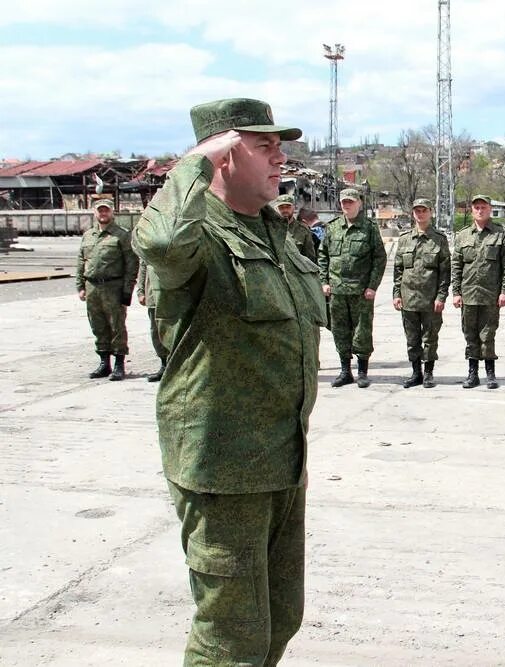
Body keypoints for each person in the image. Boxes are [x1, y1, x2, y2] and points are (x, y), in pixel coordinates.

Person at [132, 98, 324, 666]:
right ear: (222, 155)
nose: (280, 157)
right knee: (230, 638)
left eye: (280, 146)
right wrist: (193, 162)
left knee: (279, 621)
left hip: (281, 465)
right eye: (263, 145)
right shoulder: (195, 239)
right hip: (222, 470)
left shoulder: (274, 233)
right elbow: (161, 244)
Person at [317, 187, 387, 388]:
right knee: (340, 330)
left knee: (362, 331)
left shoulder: (369, 228)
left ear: (359, 204)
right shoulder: (332, 228)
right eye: (344, 202)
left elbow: (379, 258)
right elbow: (323, 256)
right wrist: (325, 281)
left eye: (351, 201)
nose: (346, 205)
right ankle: (345, 371)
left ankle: (362, 371)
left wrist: (373, 286)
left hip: (361, 291)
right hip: (337, 291)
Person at [451, 194, 505, 389]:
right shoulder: (462, 235)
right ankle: (472, 373)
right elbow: (456, 265)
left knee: (488, 335)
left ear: (489, 209)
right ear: (472, 211)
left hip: (490, 295)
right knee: (469, 334)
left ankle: (490, 373)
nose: (480, 210)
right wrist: (456, 292)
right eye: (476, 207)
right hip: (468, 294)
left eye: (483, 207)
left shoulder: (500, 234)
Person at [75, 198, 138, 381]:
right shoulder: (88, 236)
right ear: (95, 213)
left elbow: (131, 264)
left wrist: (127, 291)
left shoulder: (122, 235)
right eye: (100, 210)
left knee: (117, 325)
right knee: (98, 325)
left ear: (112, 212)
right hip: (92, 287)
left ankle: (119, 364)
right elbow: (80, 261)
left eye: (106, 210)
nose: (103, 214)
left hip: (113, 287)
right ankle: (104, 363)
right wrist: (80, 286)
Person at [392, 198, 451, 388]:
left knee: (430, 338)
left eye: (424, 210)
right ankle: (416, 372)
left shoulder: (439, 240)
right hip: (408, 298)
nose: (420, 214)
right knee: (412, 338)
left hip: (430, 300)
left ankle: (429, 373)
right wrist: (396, 294)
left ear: (430, 212)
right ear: (413, 213)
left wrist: (441, 296)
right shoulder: (404, 239)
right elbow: (398, 270)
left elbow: (445, 272)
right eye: (417, 210)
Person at [135, 258, 167, 381]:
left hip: (171, 294)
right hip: (152, 294)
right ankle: (164, 364)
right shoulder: (147, 241)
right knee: (156, 332)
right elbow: (143, 266)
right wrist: (141, 291)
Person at [273, 193, 317, 263]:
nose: (285, 210)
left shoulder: (303, 230)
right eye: (281, 208)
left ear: (293, 208)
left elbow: (310, 259)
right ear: (275, 209)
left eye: (288, 207)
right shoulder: (270, 228)